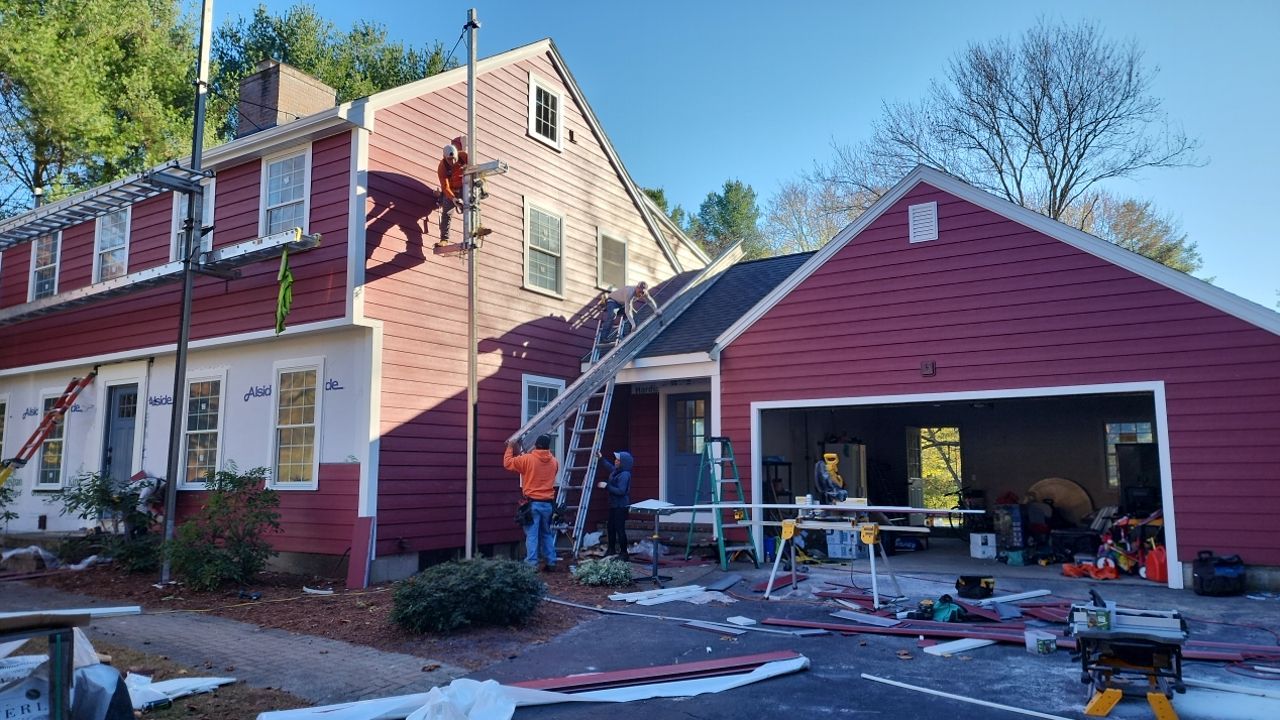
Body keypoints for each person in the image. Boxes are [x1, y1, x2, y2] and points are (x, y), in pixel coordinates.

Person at [503, 434, 560, 571]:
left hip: (532, 504)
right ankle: (551, 562)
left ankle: (531, 565)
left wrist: (510, 447)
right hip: (548, 504)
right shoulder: (554, 462)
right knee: (546, 533)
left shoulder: (527, 459)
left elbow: (508, 463)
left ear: (536, 445)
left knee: (532, 535)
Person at [596, 450, 633, 559]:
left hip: (621, 506)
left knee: (619, 529)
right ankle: (611, 549)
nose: (615, 461)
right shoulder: (616, 471)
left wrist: (606, 486)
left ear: (623, 462)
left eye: (618, 460)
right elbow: (609, 467)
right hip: (614, 505)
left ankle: (624, 553)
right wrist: (601, 458)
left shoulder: (624, 475)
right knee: (610, 527)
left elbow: (621, 491)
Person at [436, 138, 468, 245]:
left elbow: (474, 168)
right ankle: (444, 239)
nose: (453, 162)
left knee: (471, 204)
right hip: (452, 191)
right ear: (445, 157)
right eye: (450, 159)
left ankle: (476, 228)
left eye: (454, 159)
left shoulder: (464, 156)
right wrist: (454, 199)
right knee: (447, 213)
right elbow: (445, 187)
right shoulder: (442, 167)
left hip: (464, 185)